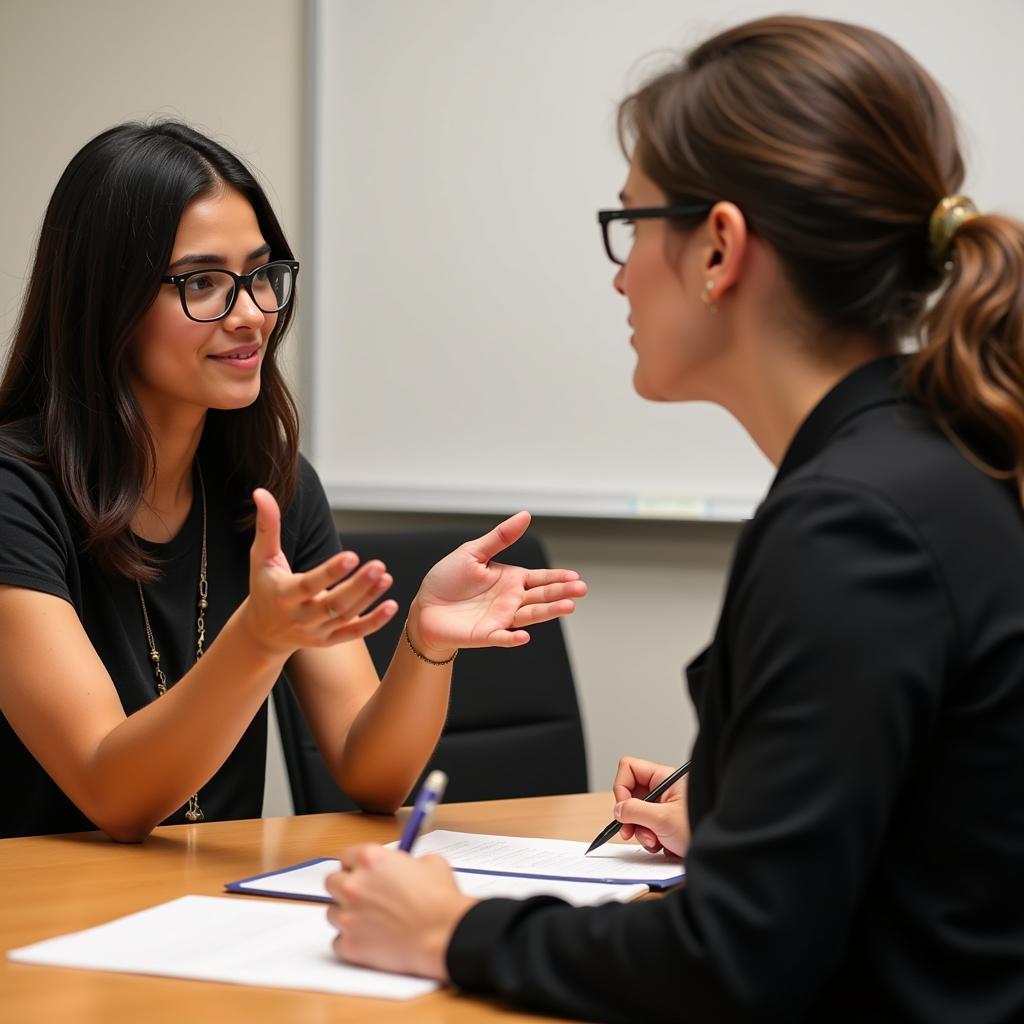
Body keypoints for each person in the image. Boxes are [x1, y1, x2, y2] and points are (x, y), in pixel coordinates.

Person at [324, 15, 1024, 1022]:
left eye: (633, 225)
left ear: (718, 249)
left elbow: (734, 962)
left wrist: (448, 929)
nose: (619, 272)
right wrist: (745, 814)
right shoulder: (937, 463)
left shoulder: (853, 525)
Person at [0, 121, 587, 842]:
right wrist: (257, 639)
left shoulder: (272, 485)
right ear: (107, 300)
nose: (252, 315)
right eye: (204, 283)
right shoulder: (14, 492)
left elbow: (371, 774)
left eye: (260, 275)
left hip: (201, 909)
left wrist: (425, 642)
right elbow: (110, 792)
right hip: (39, 910)